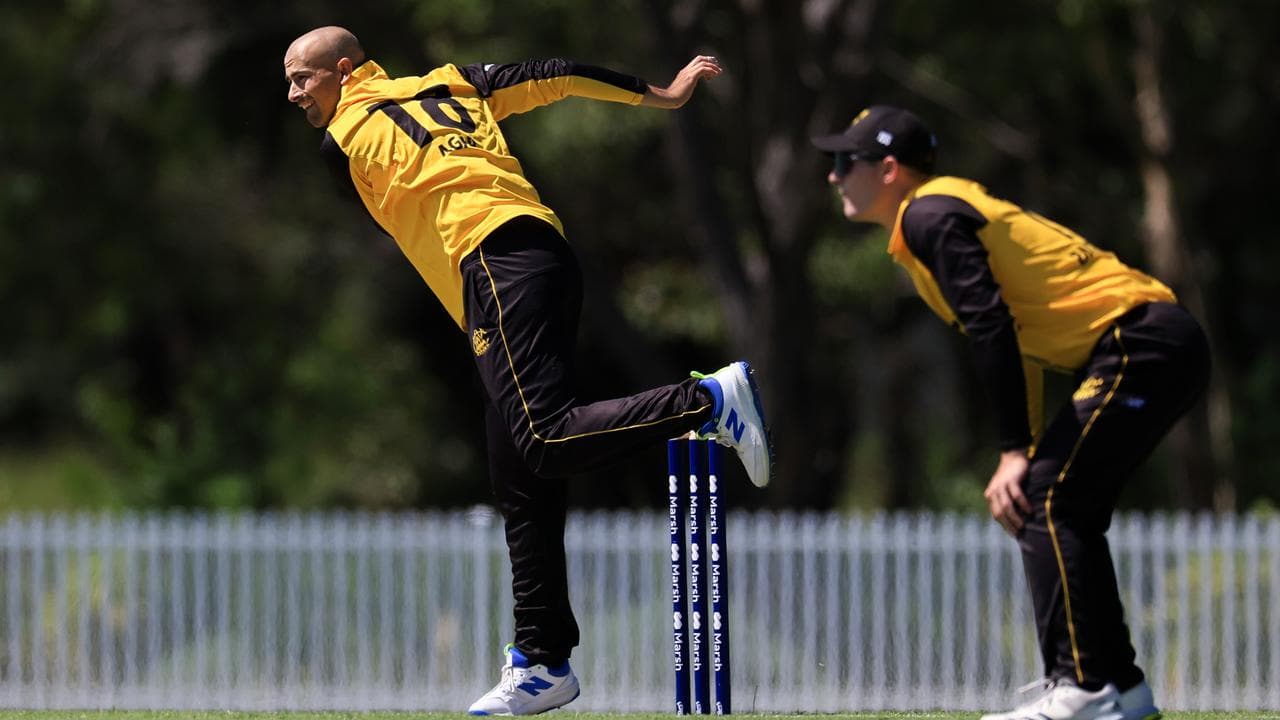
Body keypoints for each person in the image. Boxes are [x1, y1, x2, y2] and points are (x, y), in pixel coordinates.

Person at [283, 26, 774, 716]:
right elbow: (557, 72)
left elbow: (398, 214)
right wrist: (661, 95)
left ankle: (708, 401)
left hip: (493, 262)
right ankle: (543, 661)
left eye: (302, 78)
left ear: (344, 70)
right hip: (541, 253)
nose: (293, 94)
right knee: (520, 477)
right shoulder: (451, 81)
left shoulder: (342, 141)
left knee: (543, 438)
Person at [813, 106, 1208, 720]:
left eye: (845, 161)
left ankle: (1080, 686)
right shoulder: (936, 213)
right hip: (1152, 342)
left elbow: (991, 327)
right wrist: (1021, 449)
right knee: (1057, 504)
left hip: (1140, 342)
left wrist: (1013, 453)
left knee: (1049, 500)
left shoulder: (928, 214)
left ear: (889, 169)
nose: (834, 176)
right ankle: (1122, 691)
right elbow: (1011, 338)